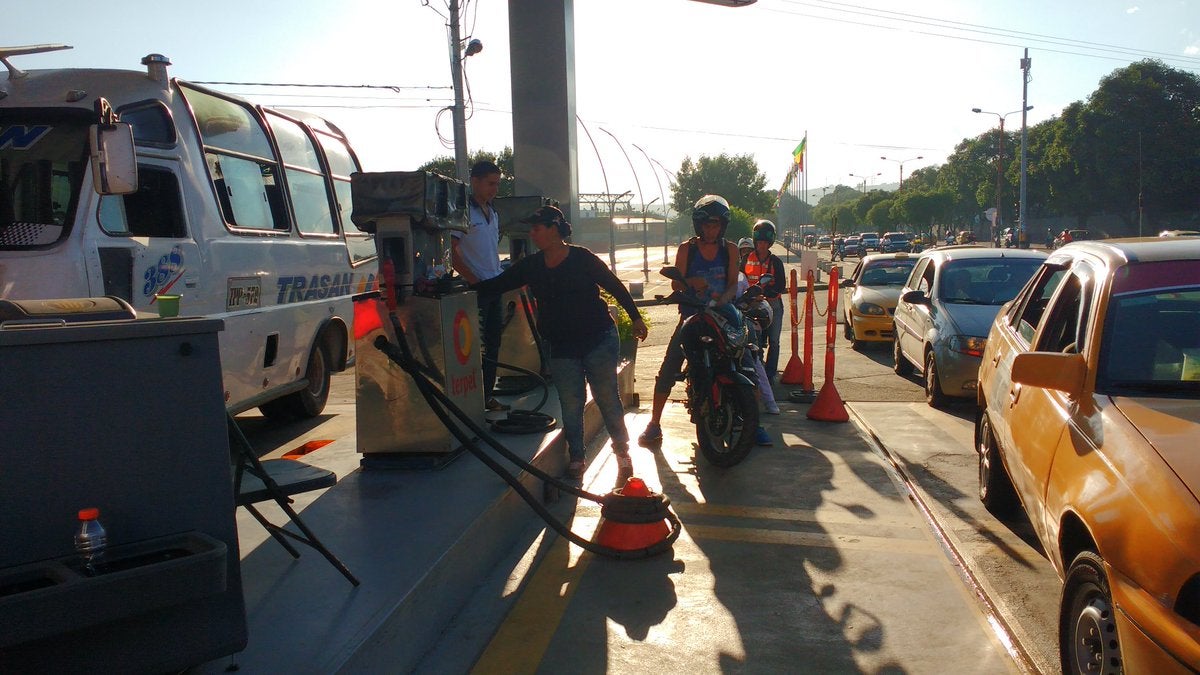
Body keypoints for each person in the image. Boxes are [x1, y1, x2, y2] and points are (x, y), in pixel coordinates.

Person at [471, 205, 648, 481]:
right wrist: (455, 291)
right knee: (571, 403)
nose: (532, 233)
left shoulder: (583, 259)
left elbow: (614, 286)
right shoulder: (532, 266)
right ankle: (577, 457)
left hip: (598, 338)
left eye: (537, 228)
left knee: (606, 397)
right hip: (562, 345)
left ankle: (622, 452)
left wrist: (635, 318)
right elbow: (496, 285)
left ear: (554, 229)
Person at [639, 195, 741, 447]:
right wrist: (692, 283)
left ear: (722, 226)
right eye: (706, 225)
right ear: (699, 226)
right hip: (692, 315)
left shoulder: (730, 249)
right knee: (669, 367)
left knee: (746, 358)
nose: (711, 229)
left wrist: (722, 301)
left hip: (722, 314)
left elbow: (732, 284)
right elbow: (676, 281)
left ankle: (752, 420)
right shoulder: (687, 249)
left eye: (715, 224)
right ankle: (654, 423)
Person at [452, 161, 507, 413]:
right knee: (475, 346)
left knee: (494, 342)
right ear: (475, 182)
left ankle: (486, 396)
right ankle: (472, 399)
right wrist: (474, 280)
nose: (495, 189)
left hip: (494, 284)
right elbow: (452, 253)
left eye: (497, 183)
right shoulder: (464, 212)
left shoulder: (492, 211)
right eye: (490, 183)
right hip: (476, 288)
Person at [742, 220, 787, 383]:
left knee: (774, 341)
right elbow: (740, 279)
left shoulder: (775, 261)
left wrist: (765, 293)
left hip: (773, 305)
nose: (762, 245)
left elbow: (781, 285)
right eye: (759, 242)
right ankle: (757, 371)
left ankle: (770, 374)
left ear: (770, 243)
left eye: (765, 243)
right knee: (755, 341)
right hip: (752, 305)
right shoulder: (746, 258)